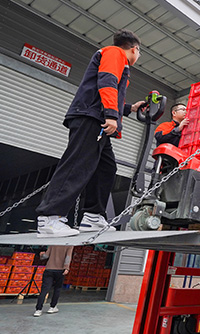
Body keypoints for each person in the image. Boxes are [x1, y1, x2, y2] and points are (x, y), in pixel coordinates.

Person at [36, 29, 145, 238]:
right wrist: (112, 115)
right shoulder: (115, 53)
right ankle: (50, 217)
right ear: (135, 49)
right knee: (77, 163)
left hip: (97, 117)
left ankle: (93, 217)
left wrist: (128, 108)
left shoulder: (116, 58)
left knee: (106, 167)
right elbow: (107, 83)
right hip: (92, 118)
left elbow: (102, 90)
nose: (137, 57)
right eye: (139, 53)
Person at [33, 246, 73, 317]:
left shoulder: (54, 243)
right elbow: (68, 257)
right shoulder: (69, 245)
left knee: (44, 290)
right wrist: (66, 267)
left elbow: (46, 256)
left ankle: (38, 310)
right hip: (60, 270)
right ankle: (52, 307)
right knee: (57, 289)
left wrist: (42, 255)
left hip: (49, 269)